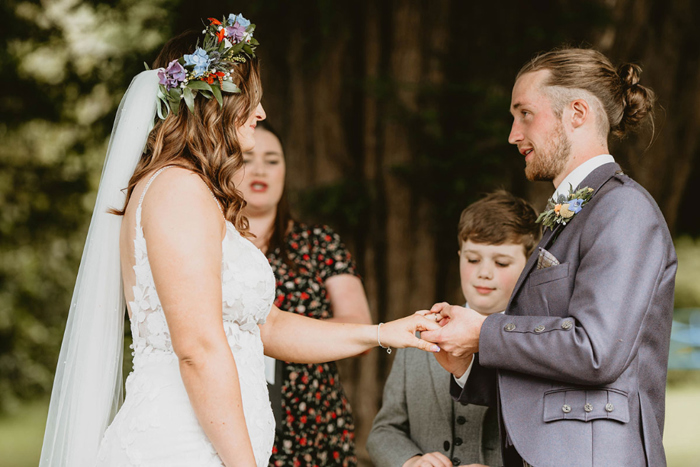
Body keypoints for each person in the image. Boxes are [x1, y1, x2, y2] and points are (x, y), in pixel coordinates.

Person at [39, 15, 441, 467]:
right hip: (181, 446)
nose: (262, 113)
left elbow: (267, 326)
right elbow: (197, 349)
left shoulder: (196, 192)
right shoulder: (176, 189)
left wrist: (383, 332)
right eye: (253, 99)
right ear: (212, 103)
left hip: (217, 445)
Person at [422, 47, 677, 467]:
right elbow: (553, 375)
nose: (513, 134)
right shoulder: (574, 212)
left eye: (524, 114)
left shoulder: (623, 209)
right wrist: (467, 362)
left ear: (577, 112)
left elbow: (596, 351)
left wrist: (484, 332)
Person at [367, 191, 540, 467]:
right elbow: (383, 431)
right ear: (459, 255)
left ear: (529, 265)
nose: (484, 272)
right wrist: (411, 462)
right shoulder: (419, 334)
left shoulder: (540, 345)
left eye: (501, 262)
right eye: (473, 259)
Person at [236, 120, 372, 466]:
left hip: (315, 417)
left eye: (273, 160)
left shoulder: (320, 243)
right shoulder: (215, 245)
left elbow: (358, 322)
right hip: (234, 412)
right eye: (248, 157)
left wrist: (291, 335)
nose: (261, 170)